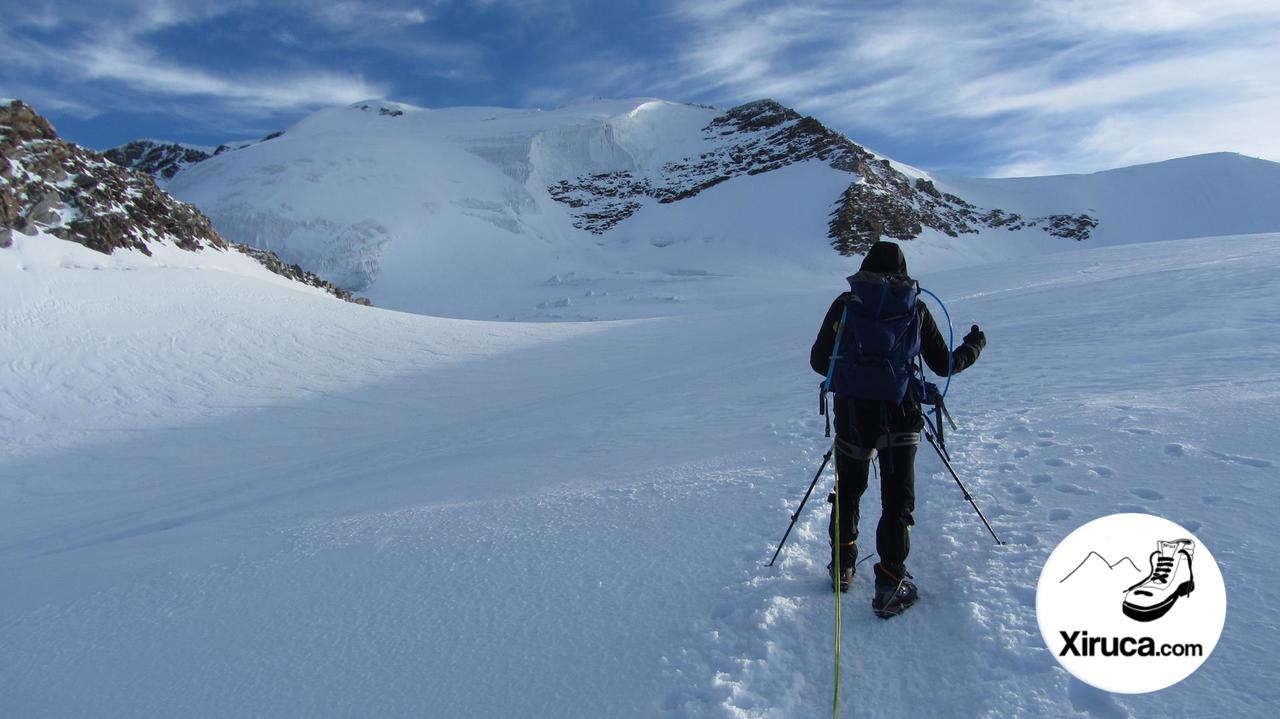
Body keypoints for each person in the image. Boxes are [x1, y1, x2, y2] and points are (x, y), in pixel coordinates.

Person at [809, 240, 986, 617]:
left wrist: (855, 378)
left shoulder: (846, 304)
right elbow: (944, 365)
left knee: (849, 491)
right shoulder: (915, 309)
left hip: (854, 417)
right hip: (901, 417)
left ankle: (842, 565)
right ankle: (890, 582)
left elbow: (818, 360)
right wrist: (975, 345)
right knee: (896, 501)